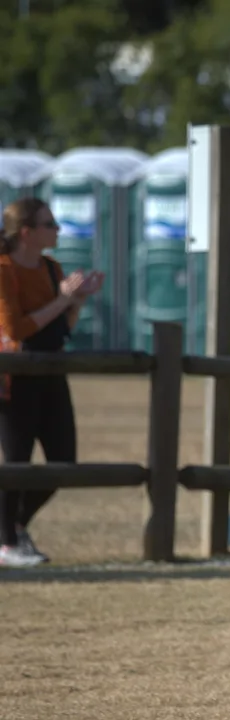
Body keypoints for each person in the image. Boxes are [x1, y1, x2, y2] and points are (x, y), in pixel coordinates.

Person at [0, 198, 101, 567]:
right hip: (15, 377)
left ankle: (14, 527)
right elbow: (17, 329)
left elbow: (60, 331)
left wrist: (76, 302)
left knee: (63, 464)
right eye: (49, 224)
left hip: (51, 374)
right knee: (17, 463)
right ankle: (7, 544)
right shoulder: (5, 269)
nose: (57, 230)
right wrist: (62, 300)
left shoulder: (50, 267)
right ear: (27, 232)